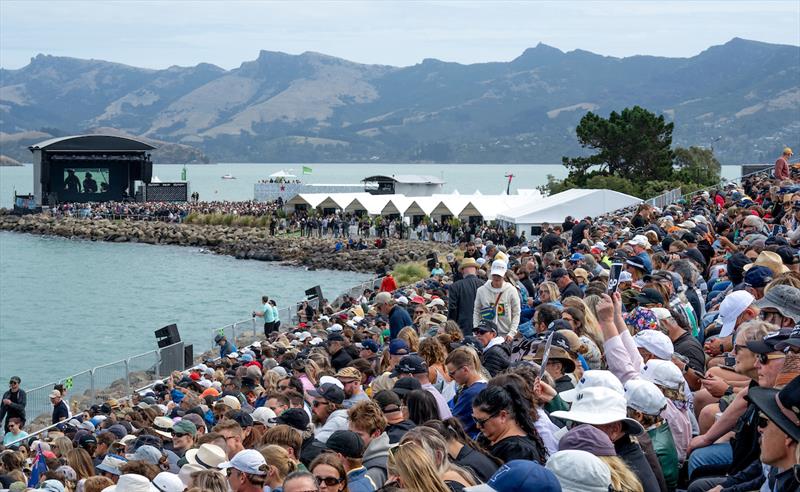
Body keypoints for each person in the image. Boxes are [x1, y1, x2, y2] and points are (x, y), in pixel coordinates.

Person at [471, 384, 547, 464]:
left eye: (482, 421)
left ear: (503, 416)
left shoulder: (519, 453)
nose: (478, 426)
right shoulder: (489, 438)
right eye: (475, 419)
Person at [473, 260, 520, 341]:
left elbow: (516, 313)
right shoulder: (481, 290)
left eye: (499, 275)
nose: (496, 277)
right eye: (494, 274)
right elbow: (477, 312)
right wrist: (476, 330)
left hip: (505, 334)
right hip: (486, 334)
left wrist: (512, 333)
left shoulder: (511, 290)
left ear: (504, 274)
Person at [445, 347, 488, 438]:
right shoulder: (484, 384)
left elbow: (453, 425)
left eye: (452, 374)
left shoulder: (471, 393)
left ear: (465, 369)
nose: (451, 377)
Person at [448, 258, 485, 336]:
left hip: (463, 329)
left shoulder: (455, 286)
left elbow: (452, 309)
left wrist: (450, 329)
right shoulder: (485, 285)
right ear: (476, 270)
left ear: (462, 270)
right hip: (484, 328)